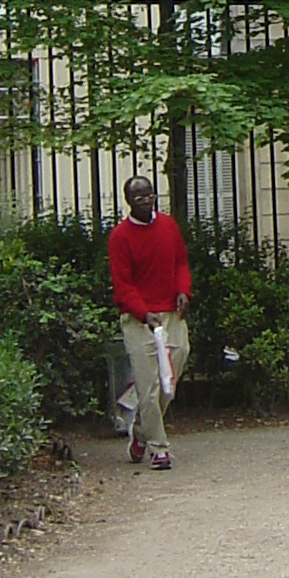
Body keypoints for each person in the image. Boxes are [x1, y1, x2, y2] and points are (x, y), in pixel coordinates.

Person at [109, 173, 192, 470]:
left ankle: (141, 432)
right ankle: (159, 448)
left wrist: (184, 291)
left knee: (169, 379)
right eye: (139, 197)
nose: (146, 201)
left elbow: (180, 262)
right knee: (149, 385)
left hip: (171, 312)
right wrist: (143, 313)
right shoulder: (120, 237)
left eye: (150, 195)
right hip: (139, 319)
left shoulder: (168, 226)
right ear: (128, 201)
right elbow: (123, 286)